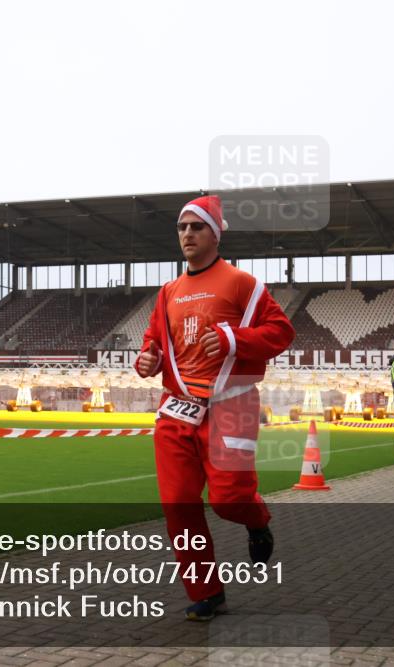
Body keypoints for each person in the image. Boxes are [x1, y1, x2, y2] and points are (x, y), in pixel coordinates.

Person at [134, 194, 295, 621]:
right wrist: (145, 361)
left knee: (228, 499)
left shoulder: (242, 283)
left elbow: (282, 331)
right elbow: (153, 346)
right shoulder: (168, 292)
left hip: (231, 404)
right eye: (182, 227)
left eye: (197, 226)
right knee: (178, 506)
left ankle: (257, 520)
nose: (187, 234)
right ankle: (206, 591)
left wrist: (233, 339)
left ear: (215, 233)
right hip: (176, 411)